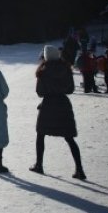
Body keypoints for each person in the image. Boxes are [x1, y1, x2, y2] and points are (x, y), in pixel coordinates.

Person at [29, 45, 86, 180]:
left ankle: (39, 165)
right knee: (69, 138)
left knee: (41, 135)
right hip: (63, 104)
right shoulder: (66, 68)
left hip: (48, 105)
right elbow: (70, 89)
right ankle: (80, 170)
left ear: (46, 56)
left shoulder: (42, 71)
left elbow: (40, 92)